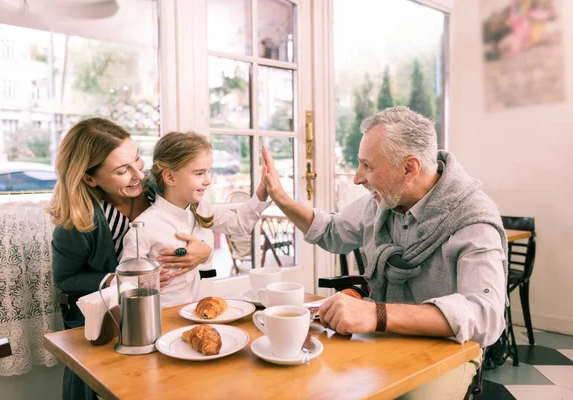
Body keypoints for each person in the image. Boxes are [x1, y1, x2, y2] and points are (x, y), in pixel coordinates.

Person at [261, 106, 508, 399]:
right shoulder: (382, 202)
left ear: (409, 169)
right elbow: (332, 231)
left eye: (368, 166)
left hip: (448, 351)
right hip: (383, 337)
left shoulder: (473, 218)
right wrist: (281, 199)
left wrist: (376, 314)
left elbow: (487, 316)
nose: (356, 178)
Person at [47, 118, 211, 400]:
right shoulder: (77, 222)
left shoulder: (153, 191)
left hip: (165, 316)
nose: (138, 174)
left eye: (137, 160)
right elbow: (65, 279)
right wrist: (121, 280)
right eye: (122, 170)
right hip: (111, 325)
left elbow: (196, 221)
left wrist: (203, 252)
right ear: (89, 178)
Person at [121, 131, 271, 308]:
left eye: (209, 172)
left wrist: (261, 193)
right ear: (170, 177)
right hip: (160, 317)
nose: (208, 181)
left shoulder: (201, 208)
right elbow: (126, 283)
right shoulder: (144, 227)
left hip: (194, 310)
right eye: (199, 173)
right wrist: (142, 283)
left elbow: (239, 225)